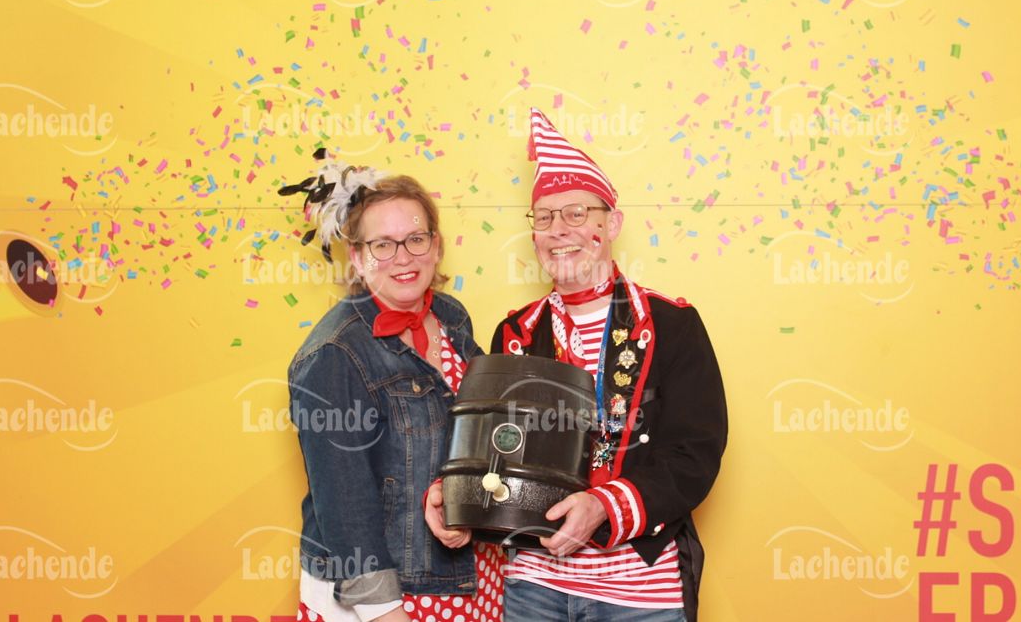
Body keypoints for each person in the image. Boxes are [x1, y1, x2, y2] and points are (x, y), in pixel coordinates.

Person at [426, 109, 728, 621]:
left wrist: (603, 506)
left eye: (576, 213)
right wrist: (452, 496)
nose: (557, 230)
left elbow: (694, 454)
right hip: (534, 588)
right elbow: (495, 450)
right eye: (543, 217)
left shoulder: (672, 324)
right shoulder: (515, 333)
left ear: (612, 223)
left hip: (639, 596)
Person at [283, 164, 506, 622]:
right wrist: (384, 611)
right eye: (382, 245)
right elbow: (342, 500)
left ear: (436, 246)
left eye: (415, 239)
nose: (403, 257)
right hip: (385, 594)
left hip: (468, 576)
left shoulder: (451, 317)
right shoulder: (333, 353)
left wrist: (459, 498)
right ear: (357, 256)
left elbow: (478, 433)